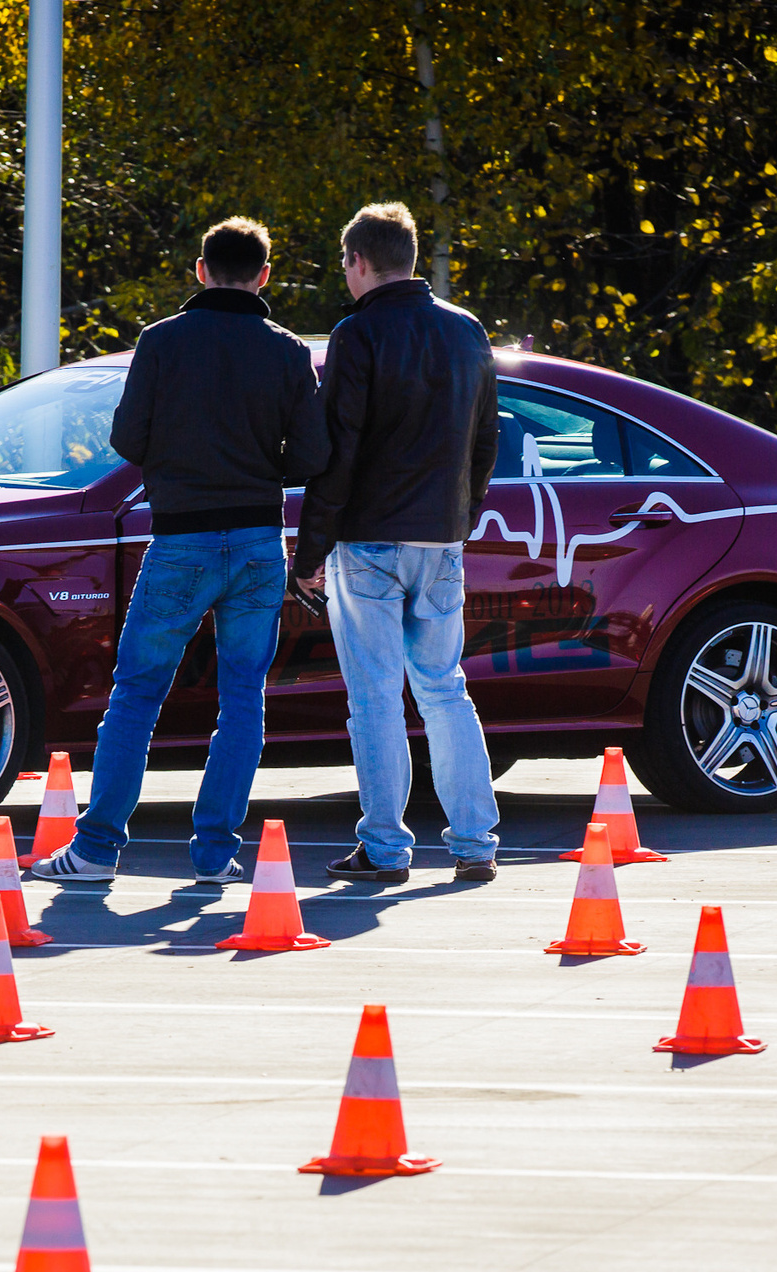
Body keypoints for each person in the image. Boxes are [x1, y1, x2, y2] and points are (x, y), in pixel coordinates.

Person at [30, 217, 330, 885]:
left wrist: (185, 455)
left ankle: (97, 848)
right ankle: (216, 853)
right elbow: (312, 455)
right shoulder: (287, 352)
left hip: (181, 539)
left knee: (136, 692)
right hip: (257, 541)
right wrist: (257, 462)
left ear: (200, 270)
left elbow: (129, 440)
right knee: (243, 697)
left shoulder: (161, 342)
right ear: (265, 276)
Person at [294, 201, 502, 883]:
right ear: (410, 259)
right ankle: (474, 841)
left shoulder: (357, 335)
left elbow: (337, 450)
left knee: (376, 697)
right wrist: (461, 519)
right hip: (440, 538)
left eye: (345, 265)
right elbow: (484, 439)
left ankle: (385, 846)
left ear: (358, 262)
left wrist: (311, 550)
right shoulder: (467, 331)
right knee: (445, 688)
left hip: (370, 540)